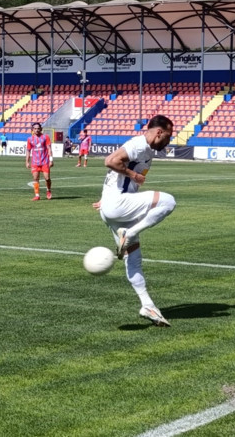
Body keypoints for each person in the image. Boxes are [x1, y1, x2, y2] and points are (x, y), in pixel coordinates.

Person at [93, 115, 176, 327]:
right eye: (168, 136)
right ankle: (128, 233)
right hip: (119, 205)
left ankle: (147, 305)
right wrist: (133, 175)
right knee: (167, 202)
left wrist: (105, 199)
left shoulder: (146, 149)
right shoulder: (139, 145)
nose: (169, 140)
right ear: (159, 132)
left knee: (134, 259)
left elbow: (112, 176)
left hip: (114, 208)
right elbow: (110, 161)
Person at [25, 122, 53, 200]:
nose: (37, 130)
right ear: (32, 130)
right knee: (35, 178)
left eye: (38, 128)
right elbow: (28, 151)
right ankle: (37, 195)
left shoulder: (45, 137)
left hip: (45, 162)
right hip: (35, 162)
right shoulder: (30, 139)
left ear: (41, 129)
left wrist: (51, 160)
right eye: (35, 129)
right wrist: (27, 161)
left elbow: (49, 149)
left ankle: (48, 190)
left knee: (47, 178)